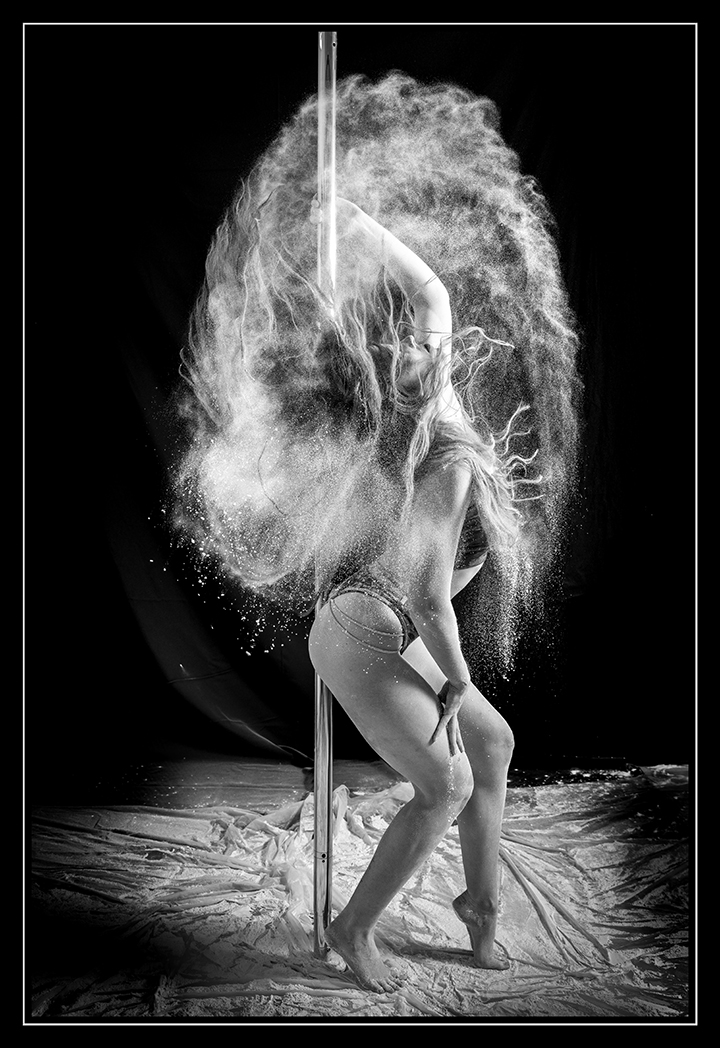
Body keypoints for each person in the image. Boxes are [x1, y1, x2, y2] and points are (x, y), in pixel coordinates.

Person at [307, 198, 515, 991]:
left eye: (418, 341)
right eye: (393, 343)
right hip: (362, 630)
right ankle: (353, 927)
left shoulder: (437, 394)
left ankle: (480, 905)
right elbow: (430, 599)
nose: (410, 347)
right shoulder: (441, 457)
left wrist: (356, 222)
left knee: (492, 744)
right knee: (447, 783)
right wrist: (457, 676)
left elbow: (430, 291)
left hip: (390, 625)